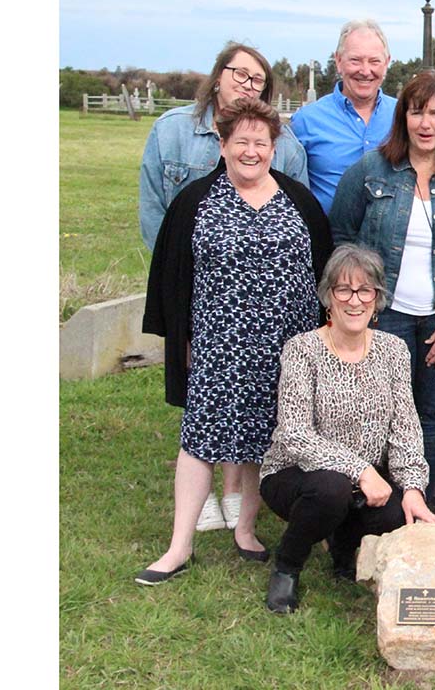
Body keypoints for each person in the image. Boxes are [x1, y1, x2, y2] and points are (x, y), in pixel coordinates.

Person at [136, 98, 333, 585]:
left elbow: (324, 268)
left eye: (260, 142)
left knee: (263, 441)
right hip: (217, 345)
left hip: (287, 344)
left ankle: (246, 528)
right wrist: (178, 339)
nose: (251, 151)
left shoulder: (298, 200)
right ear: (222, 145)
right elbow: (170, 273)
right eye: (240, 141)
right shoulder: (195, 201)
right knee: (200, 438)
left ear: (274, 147)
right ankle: (179, 546)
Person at [330, 71, 435, 505]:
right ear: (404, 118)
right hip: (385, 314)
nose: (426, 123)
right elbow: (341, 238)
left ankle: (429, 501)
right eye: (417, 112)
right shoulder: (370, 170)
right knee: (382, 411)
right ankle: (382, 502)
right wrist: (361, 305)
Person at [260, 244, 435, 613]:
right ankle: (287, 566)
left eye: (365, 291)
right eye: (344, 289)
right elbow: (294, 433)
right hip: (296, 476)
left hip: (365, 484)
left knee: (397, 513)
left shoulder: (393, 350)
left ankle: (343, 547)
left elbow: (405, 426)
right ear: (328, 296)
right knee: (331, 489)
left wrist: (412, 488)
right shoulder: (302, 349)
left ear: (377, 299)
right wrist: (360, 470)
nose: (354, 300)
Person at [291, 19, 396, 214]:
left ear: (387, 63)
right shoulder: (305, 121)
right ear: (338, 61)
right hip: (327, 241)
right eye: (355, 60)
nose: (365, 71)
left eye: (374, 61)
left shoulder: (404, 117)